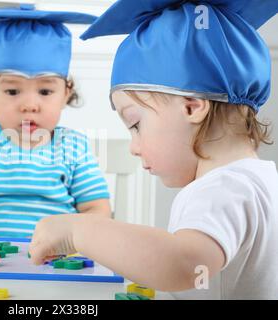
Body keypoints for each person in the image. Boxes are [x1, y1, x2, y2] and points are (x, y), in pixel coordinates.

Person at [29, 0, 278, 299]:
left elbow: (185, 264)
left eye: (135, 124)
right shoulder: (260, 180)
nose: (134, 147)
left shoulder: (222, 187)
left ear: (192, 106)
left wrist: (78, 231)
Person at [0, 5, 111, 238]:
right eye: (13, 91)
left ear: (66, 93)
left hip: (52, 266)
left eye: (45, 92)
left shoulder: (74, 149)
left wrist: (65, 240)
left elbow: (97, 209)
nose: (29, 105)